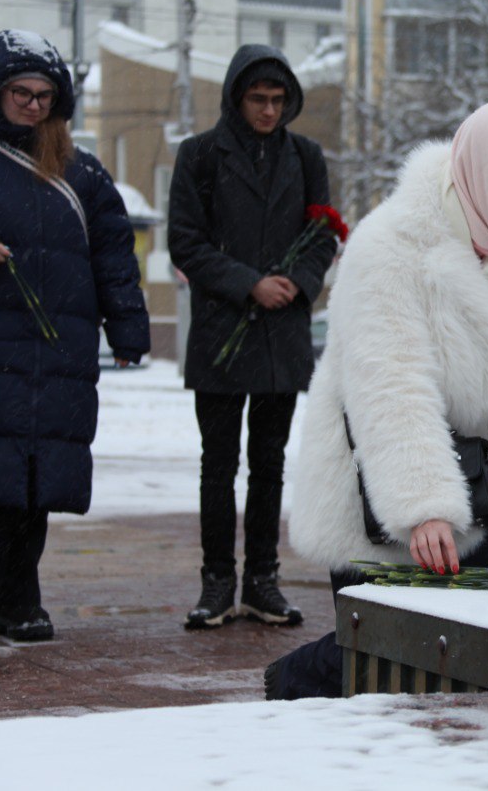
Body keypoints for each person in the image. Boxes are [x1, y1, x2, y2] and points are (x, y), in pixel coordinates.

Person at [269, 98, 488, 698]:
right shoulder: (391, 244)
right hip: (376, 483)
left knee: (466, 663)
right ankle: (292, 683)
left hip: (481, 484)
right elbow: (389, 384)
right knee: (382, 663)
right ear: (477, 170)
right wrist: (423, 503)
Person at [0, 29, 150, 649]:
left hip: (57, 357)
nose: (34, 105)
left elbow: (114, 254)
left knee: (38, 487)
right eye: (21, 92)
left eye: (45, 95)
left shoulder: (81, 171)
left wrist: (127, 326)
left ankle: (19, 601)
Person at [168, 44, 335, 630]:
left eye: (278, 100)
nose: (269, 110)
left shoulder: (305, 155)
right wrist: (248, 284)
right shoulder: (199, 156)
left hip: (280, 338)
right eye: (258, 99)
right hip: (221, 333)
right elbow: (185, 242)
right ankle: (217, 583)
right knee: (218, 465)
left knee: (269, 464)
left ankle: (263, 580)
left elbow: (323, 233)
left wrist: (297, 281)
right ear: (236, 99)